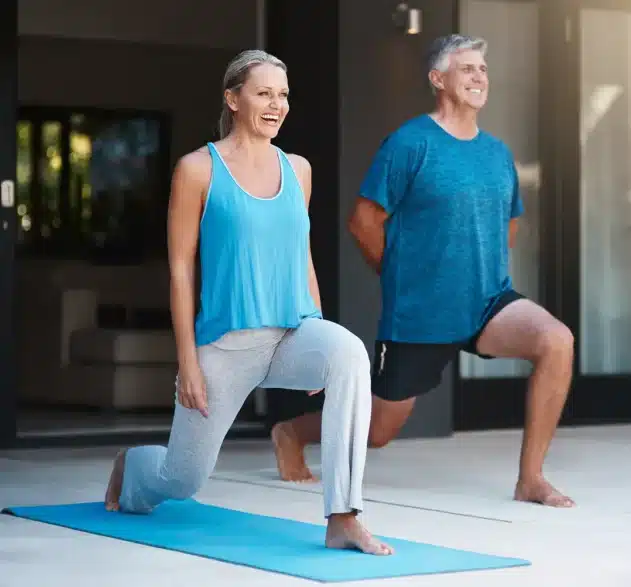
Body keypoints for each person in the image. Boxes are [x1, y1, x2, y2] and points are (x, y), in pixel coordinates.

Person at [103, 49, 393, 555]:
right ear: (233, 99)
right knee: (182, 479)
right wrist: (188, 362)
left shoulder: (298, 169)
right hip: (226, 345)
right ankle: (134, 467)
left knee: (348, 352)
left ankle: (344, 515)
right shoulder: (198, 169)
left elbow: (301, 253)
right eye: (264, 93)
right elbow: (179, 269)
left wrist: (317, 331)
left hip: (289, 333)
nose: (276, 105)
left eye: (282, 95)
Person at [271, 35, 575, 508]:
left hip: (489, 302)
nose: (479, 77)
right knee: (378, 432)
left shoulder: (496, 153)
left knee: (556, 340)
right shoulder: (410, 143)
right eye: (467, 68)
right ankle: (292, 431)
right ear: (438, 79)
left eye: (483, 69)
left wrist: (480, 268)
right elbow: (364, 222)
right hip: (420, 312)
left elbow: (510, 222)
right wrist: (402, 277)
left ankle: (530, 478)